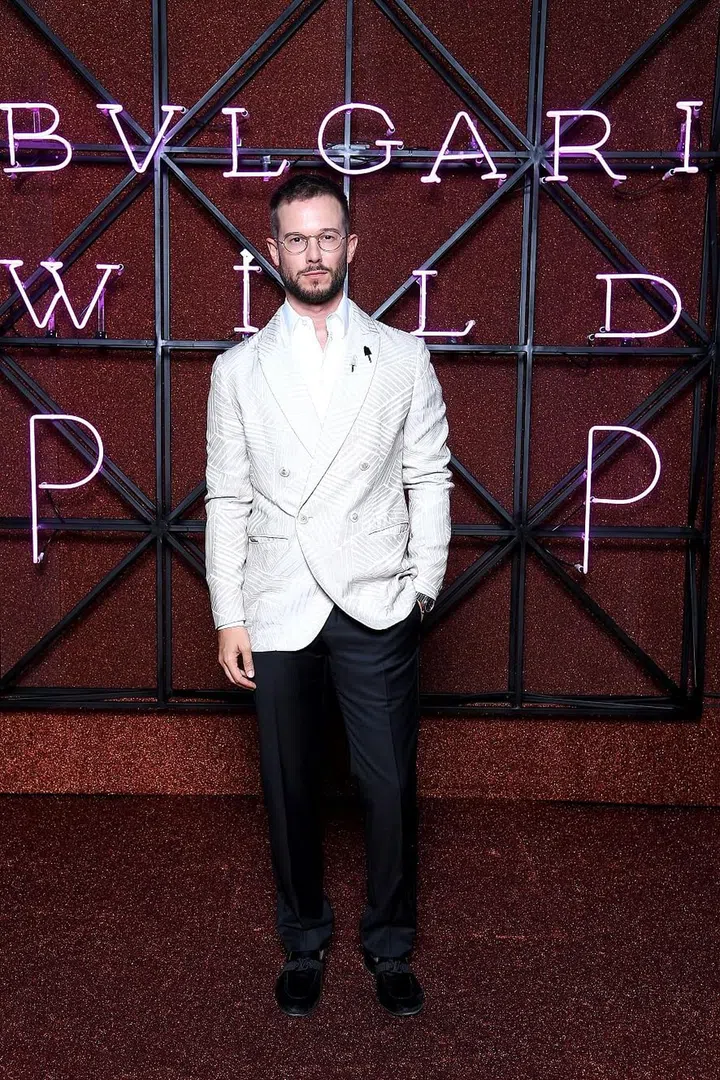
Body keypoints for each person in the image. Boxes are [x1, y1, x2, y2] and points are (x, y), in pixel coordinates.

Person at [204, 173, 453, 1018]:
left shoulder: (403, 356)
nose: (313, 253)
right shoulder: (237, 369)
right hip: (277, 604)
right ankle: (304, 938)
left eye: (327, 237)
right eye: (297, 239)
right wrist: (228, 612)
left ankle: (389, 946)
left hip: (376, 600)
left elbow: (428, 474)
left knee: (387, 789)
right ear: (273, 252)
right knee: (291, 787)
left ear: (352, 245)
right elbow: (228, 495)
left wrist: (423, 585)